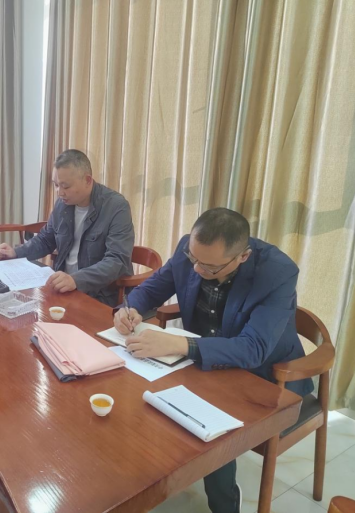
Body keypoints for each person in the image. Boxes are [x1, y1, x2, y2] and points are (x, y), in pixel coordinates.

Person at [113, 207, 313, 513]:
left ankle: (225, 504)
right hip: (203, 361)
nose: (196, 269)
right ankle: (149, 472)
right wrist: (129, 309)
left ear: (242, 257)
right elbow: (153, 288)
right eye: (193, 259)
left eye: (209, 267)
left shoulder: (277, 272)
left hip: (262, 374)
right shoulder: (191, 249)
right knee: (133, 386)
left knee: (213, 426)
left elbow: (253, 348)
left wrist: (180, 344)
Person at [0, 149, 134, 306]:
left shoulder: (116, 207)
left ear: (88, 180)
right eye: (56, 185)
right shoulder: (63, 204)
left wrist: (76, 279)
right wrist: (16, 252)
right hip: (63, 289)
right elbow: (46, 239)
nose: (59, 193)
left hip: (99, 295)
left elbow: (117, 260)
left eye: (65, 186)